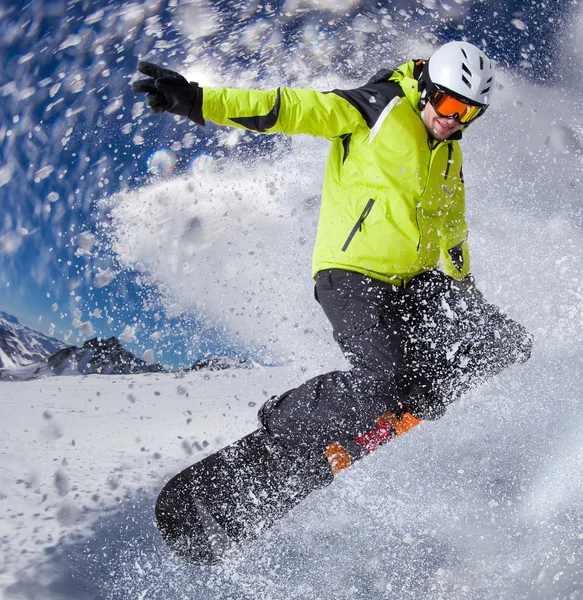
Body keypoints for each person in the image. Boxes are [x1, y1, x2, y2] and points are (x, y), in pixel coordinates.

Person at [133, 41, 533, 477]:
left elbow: (452, 224)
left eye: (468, 112)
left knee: (504, 341)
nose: (452, 119)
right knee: (386, 382)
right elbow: (286, 108)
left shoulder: (450, 150)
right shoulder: (374, 106)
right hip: (352, 278)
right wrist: (199, 100)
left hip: (415, 282)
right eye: (449, 102)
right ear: (426, 88)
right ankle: (287, 424)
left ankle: (418, 391)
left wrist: (463, 287)